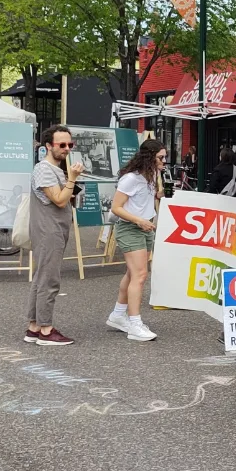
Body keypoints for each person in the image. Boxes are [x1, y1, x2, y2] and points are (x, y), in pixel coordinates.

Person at [24, 125, 84, 346]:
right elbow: (58, 199)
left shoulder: (57, 169)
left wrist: (72, 182)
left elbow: (65, 198)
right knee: (49, 280)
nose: (67, 149)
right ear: (48, 145)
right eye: (62, 145)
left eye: (70, 144)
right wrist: (72, 179)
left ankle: (33, 327)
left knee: (41, 278)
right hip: (48, 231)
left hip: (54, 229)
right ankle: (46, 331)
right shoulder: (44, 169)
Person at [106, 139, 166, 343]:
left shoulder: (152, 175)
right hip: (131, 227)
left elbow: (142, 199)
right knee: (140, 275)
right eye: (161, 157)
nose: (164, 161)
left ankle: (118, 315)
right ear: (149, 157)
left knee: (133, 273)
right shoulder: (131, 178)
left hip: (144, 226)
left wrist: (158, 194)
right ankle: (134, 323)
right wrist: (140, 220)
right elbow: (116, 207)